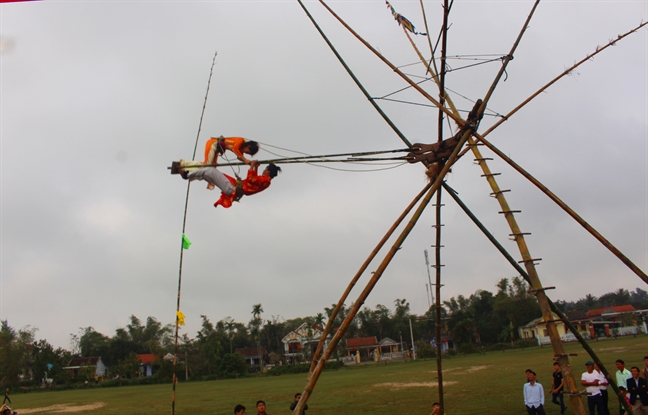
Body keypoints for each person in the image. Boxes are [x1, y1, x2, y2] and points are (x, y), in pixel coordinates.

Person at [213, 163, 281, 209]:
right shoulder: (267, 181)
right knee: (218, 175)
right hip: (238, 189)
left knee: (217, 174)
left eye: (265, 169)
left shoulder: (266, 179)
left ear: (268, 171)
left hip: (237, 187)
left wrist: (252, 166)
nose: (263, 170)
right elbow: (255, 182)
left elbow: (250, 179)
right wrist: (256, 167)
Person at [178, 136, 259, 171]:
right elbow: (235, 149)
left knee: (211, 168)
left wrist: (250, 164)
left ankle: (188, 169)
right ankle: (183, 163)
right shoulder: (240, 141)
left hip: (216, 149)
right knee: (207, 164)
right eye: (248, 151)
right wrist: (245, 160)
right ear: (248, 146)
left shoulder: (241, 150)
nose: (246, 153)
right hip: (213, 144)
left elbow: (240, 157)